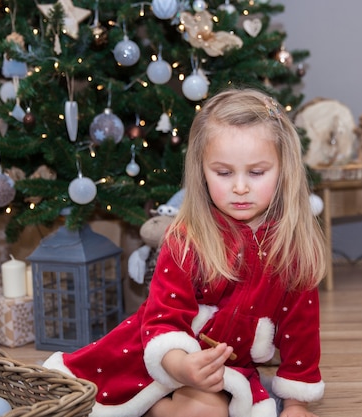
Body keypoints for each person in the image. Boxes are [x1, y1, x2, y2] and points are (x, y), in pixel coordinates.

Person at [43, 88, 327, 417]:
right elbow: (162, 320)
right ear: (202, 171)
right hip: (159, 353)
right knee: (87, 398)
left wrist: (295, 404)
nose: (239, 187)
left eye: (256, 172)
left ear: (284, 169)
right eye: (223, 173)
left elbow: (301, 332)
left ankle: (156, 408)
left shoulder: (292, 247)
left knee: (208, 410)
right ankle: (149, 405)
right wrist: (181, 367)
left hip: (220, 368)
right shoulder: (186, 237)